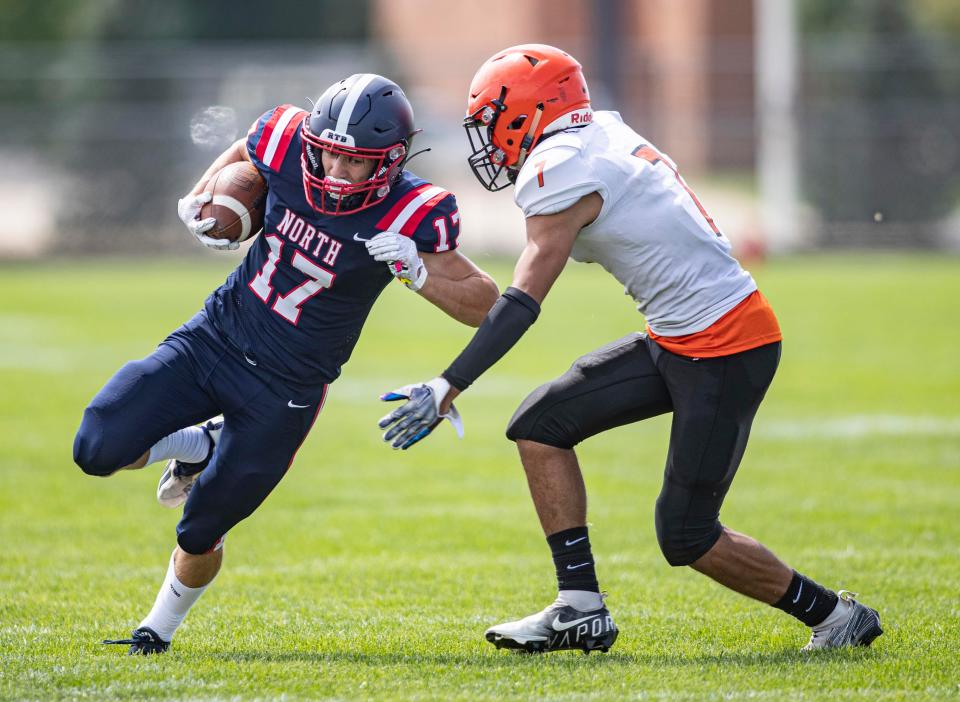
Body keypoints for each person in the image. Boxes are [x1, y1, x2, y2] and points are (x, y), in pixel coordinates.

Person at [378, 45, 883, 654]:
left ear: (527, 114)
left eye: (492, 122)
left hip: (727, 347)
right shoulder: (598, 134)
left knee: (687, 536)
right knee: (539, 426)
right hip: (680, 339)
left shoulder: (561, 168)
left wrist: (445, 387)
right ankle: (580, 608)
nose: (490, 142)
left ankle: (836, 617)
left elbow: (520, 303)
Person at [74, 73, 500, 655]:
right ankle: (197, 446)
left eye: (355, 162)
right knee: (97, 445)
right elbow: (248, 148)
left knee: (200, 529)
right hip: (215, 338)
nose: (334, 171)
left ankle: (156, 630)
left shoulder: (414, 209)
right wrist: (205, 195)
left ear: (392, 158)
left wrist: (418, 272)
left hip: (285, 389)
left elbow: (486, 306)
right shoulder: (285, 138)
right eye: (326, 153)